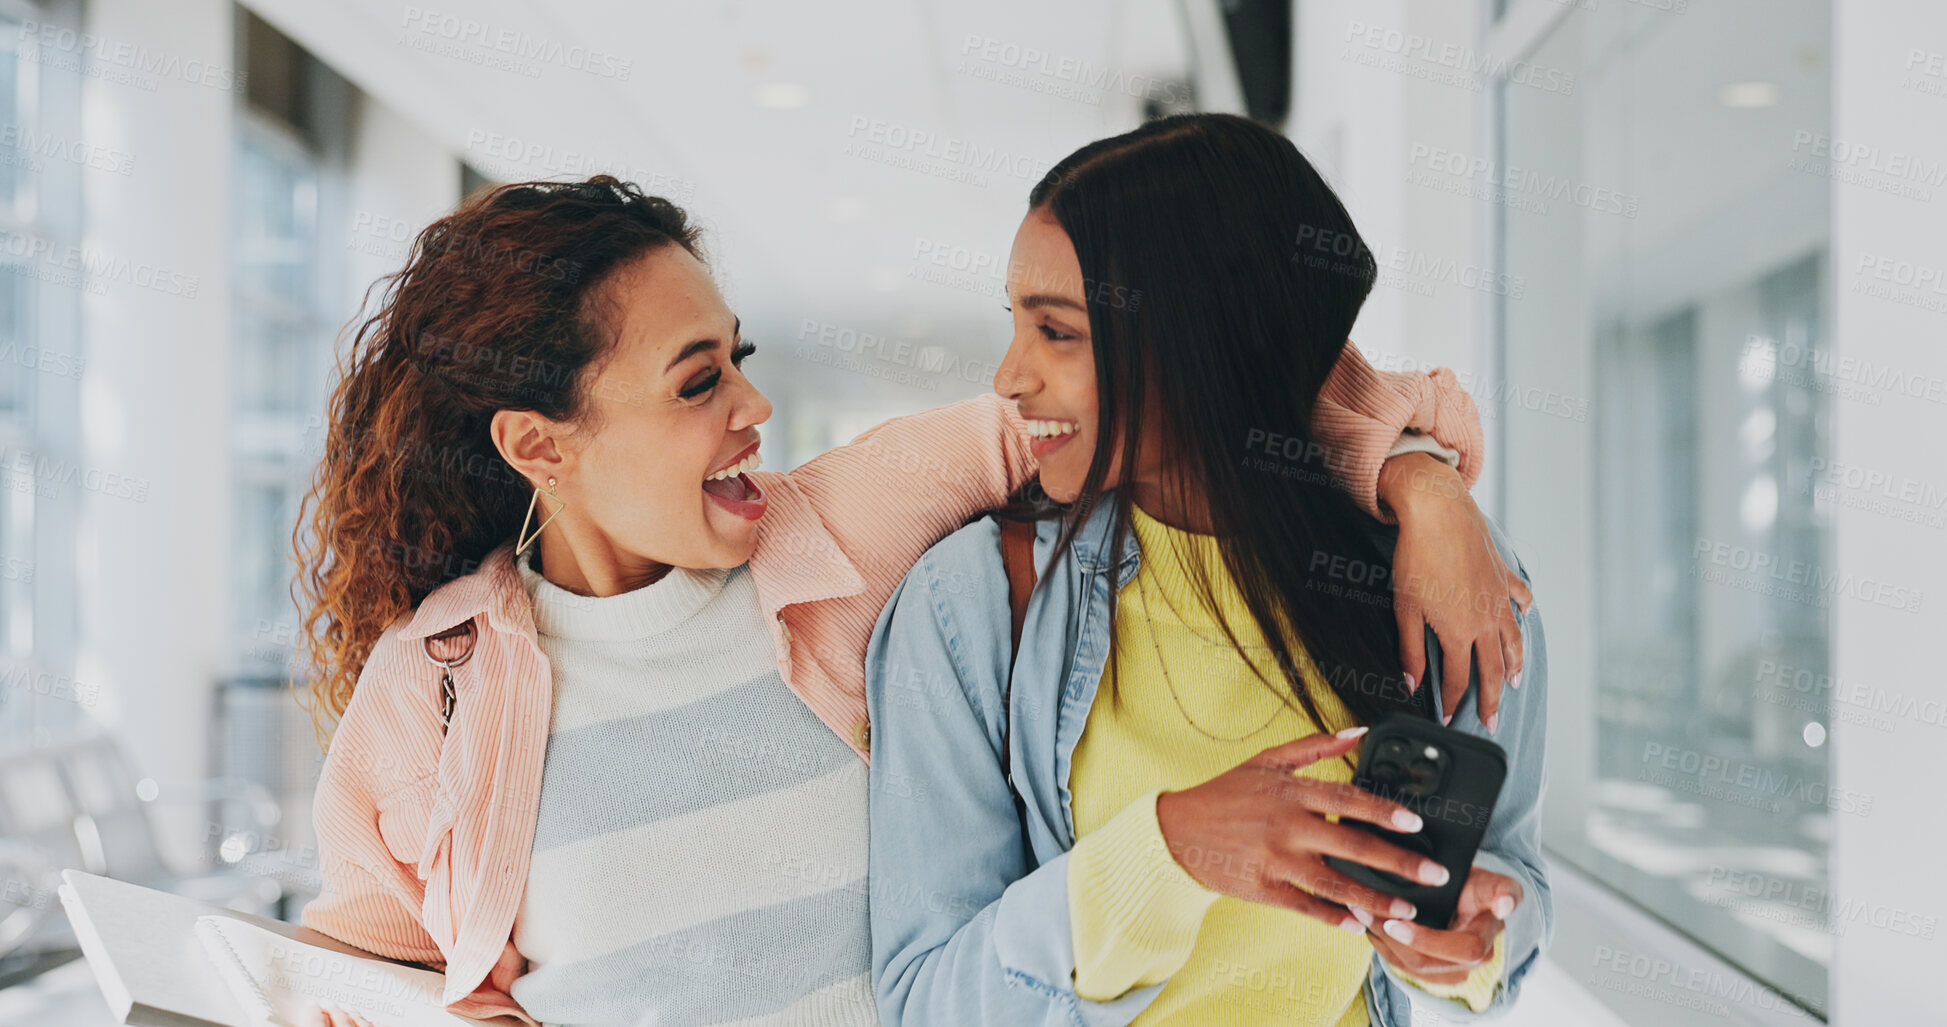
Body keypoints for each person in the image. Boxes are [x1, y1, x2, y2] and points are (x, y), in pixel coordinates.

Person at [293, 174, 1514, 1027]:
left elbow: (1172, 397)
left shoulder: (839, 525)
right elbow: (373, 970)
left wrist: (1415, 480)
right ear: (538, 444)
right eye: (696, 381)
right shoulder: (438, 684)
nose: (751, 409)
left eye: (743, 359)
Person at [865, 114, 1551, 1027]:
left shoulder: (1443, 572)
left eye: (1057, 333)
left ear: (1200, 341)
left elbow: (1509, 876)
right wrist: (1167, 852)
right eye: (1017, 324)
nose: (1009, 376)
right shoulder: (970, 606)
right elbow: (927, 1001)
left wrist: (1472, 941)